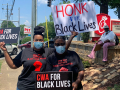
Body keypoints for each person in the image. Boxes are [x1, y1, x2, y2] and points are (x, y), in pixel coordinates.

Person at [0, 26, 78, 90]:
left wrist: (71, 37)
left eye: (40, 40)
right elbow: (13, 65)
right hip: (24, 87)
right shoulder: (25, 52)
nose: (38, 41)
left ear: (43, 41)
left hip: (41, 87)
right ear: (33, 41)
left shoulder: (48, 51)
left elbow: (61, 49)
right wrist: (5, 51)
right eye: (36, 40)